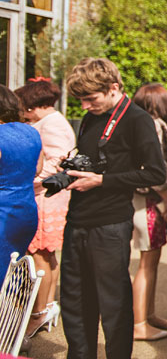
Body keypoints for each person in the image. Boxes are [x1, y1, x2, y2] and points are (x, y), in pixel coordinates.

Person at [61, 58, 167, 359]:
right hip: (78, 219)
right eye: (81, 99)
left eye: (90, 99)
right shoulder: (94, 116)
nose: (84, 106)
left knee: (114, 306)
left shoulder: (137, 119)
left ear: (114, 88)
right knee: (75, 302)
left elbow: (156, 174)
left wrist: (101, 180)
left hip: (109, 224)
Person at [16, 78, 76, 338]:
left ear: (35, 105)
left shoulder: (51, 124)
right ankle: (46, 306)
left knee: (40, 252)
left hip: (46, 197)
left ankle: (39, 311)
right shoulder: (52, 121)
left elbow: (57, 161)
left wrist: (32, 179)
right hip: (49, 195)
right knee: (47, 254)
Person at [130, 83, 167, 342]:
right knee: (147, 264)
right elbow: (151, 166)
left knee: (151, 262)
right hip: (149, 200)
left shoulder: (143, 124)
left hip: (149, 199)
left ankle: (148, 315)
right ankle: (139, 322)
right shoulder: (153, 126)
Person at [0, 85, 42, 270]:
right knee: (11, 269)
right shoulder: (31, 132)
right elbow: (38, 169)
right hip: (25, 212)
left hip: (3, 214)